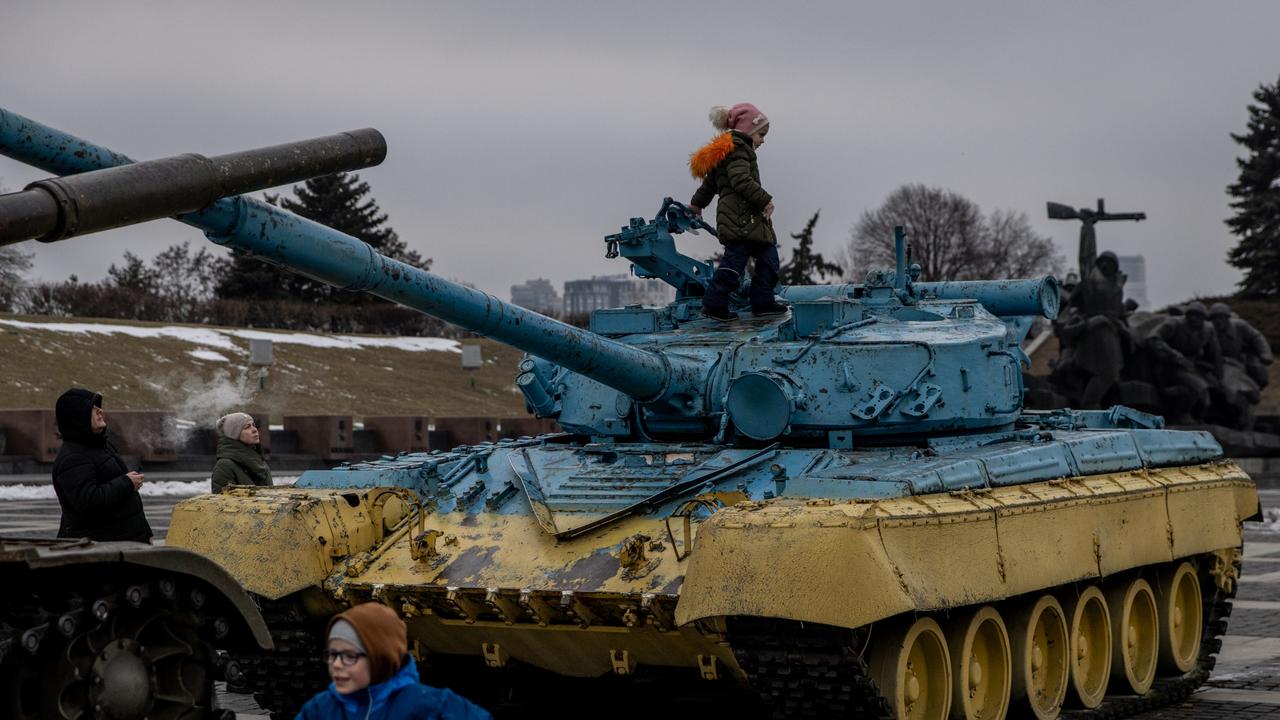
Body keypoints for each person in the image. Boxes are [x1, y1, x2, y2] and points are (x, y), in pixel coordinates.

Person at [297, 601, 491, 720]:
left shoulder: (429, 704)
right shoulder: (320, 708)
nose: (336, 664)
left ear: (378, 657)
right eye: (332, 654)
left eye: (349, 656)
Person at [688, 103, 787, 321]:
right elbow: (741, 180)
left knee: (767, 258)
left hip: (747, 219)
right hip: (741, 217)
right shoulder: (739, 148)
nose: (763, 140)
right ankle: (715, 304)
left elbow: (709, 185)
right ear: (748, 130)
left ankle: (762, 302)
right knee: (737, 265)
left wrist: (696, 205)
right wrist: (765, 201)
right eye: (761, 134)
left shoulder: (727, 151)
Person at [51, 388, 152, 542]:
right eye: (93, 408)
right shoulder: (73, 458)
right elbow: (89, 501)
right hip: (102, 546)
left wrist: (144, 534)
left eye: (99, 407)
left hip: (124, 541)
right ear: (78, 417)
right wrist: (127, 483)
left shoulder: (99, 445)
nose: (100, 411)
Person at [1146, 301, 1223, 423]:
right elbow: (1153, 338)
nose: (1194, 319)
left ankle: (1197, 418)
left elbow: (1215, 353)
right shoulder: (1174, 324)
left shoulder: (1208, 330)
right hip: (1168, 366)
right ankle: (1181, 415)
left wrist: (1219, 374)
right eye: (1191, 315)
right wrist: (1172, 353)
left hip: (1190, 367)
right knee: (1199, 388)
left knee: (1205, 395)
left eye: (1198, 316)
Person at [211, 412, 272, 494]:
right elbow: (223, 504)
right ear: (233, 434)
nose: (254, 429)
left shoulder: (260, 462)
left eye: (253, 425)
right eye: (247, 427)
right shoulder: (224, 466)